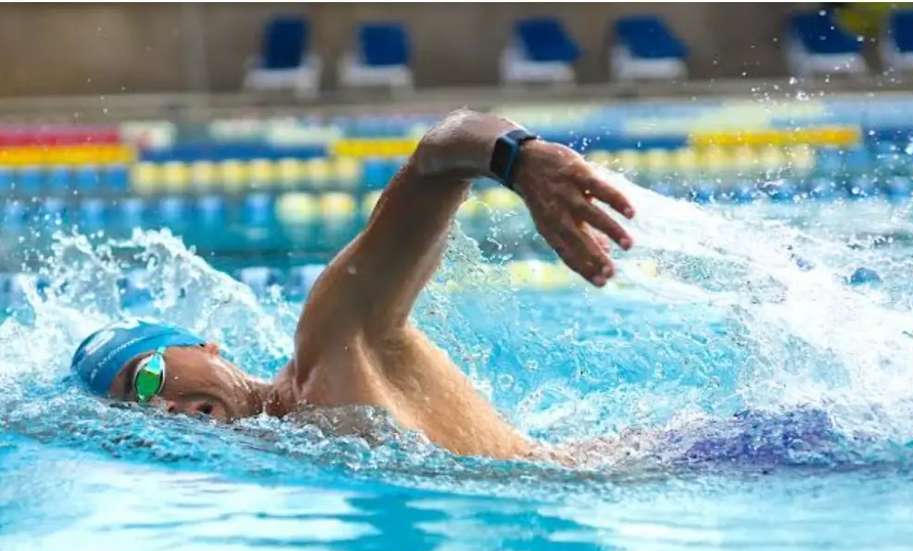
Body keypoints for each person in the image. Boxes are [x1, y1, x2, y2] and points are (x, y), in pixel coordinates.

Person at [71, 109, 636, 461]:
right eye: (134, 413)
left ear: (204, 345)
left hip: (678, 471)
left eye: (147, 379)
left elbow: (436, 156)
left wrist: (516, 158)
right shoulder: (282, 453)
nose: (162, 409)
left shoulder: (330, 347)